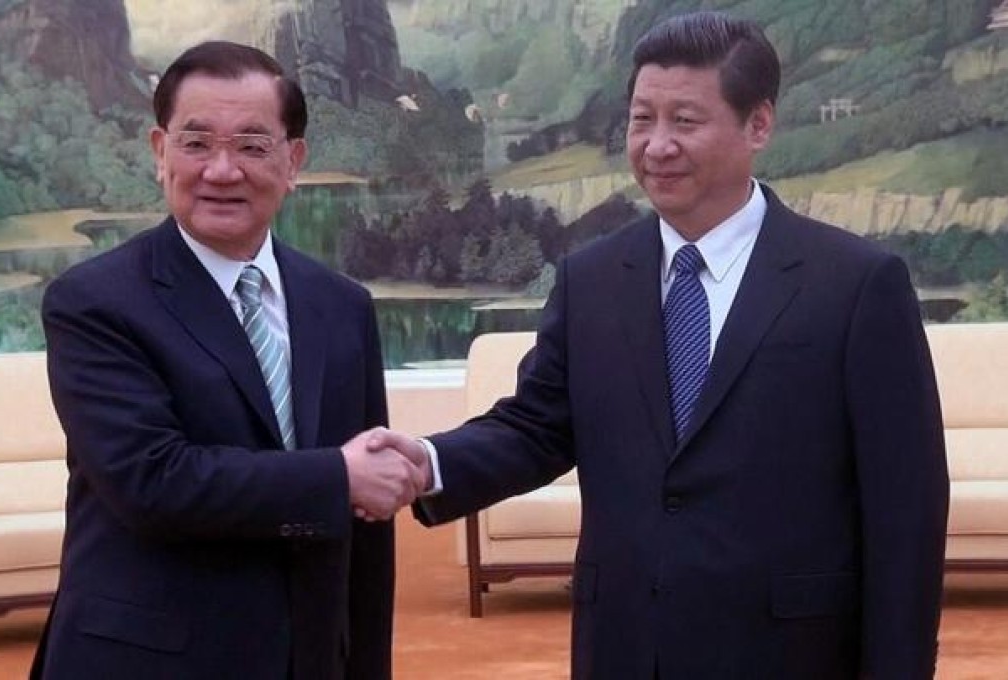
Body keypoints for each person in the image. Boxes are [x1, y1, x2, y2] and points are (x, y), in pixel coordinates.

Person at [366, 11, 949, 679]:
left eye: (686, 121)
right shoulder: (591, 279)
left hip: (792, 652)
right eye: (643, 120)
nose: (657, 144)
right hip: (626, 647)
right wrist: (428, 460)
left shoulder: (855, 284)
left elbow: (907, 506)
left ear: (758, 124)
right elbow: (536, 428)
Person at [30, 41, 423, 680]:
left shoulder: (341, 305)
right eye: (196, 143)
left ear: (292, 160)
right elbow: (152, 481)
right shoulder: (94, 303)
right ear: (160, 152)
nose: (221, 169)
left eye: (251, 145)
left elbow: (365, 531)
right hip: (148, 661)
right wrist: (336, 478)